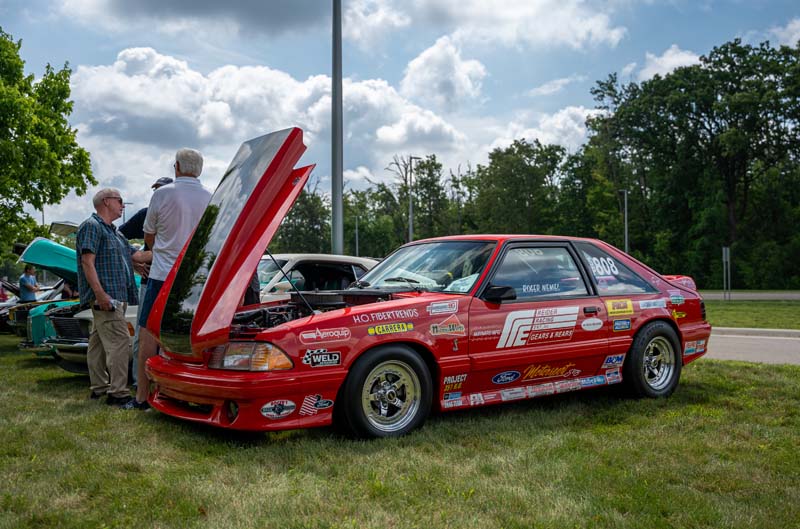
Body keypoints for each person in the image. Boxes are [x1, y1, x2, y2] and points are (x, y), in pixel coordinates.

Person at [124, 149, 211, 410]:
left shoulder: (162, 194)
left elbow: (148, 235)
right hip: (195, 278)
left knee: (148, 333)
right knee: (190, 337)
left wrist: (161, 248)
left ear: (176, 167)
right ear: (200, 170)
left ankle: (142, 396)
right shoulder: (210, 197)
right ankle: (187, 393)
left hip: (162, 275)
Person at [76, 188, 151, 406]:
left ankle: (99, 388)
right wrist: (100, 294)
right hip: (106, 297)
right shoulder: (91, 227)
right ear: (106, 202)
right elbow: (87, 263)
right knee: (119, 341)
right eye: (120, 201)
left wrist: (169, 249)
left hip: (116, 297)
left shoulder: (116, 233)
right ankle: (118, 393)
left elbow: (137, 255)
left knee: (97, 343)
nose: (123, 205)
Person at [118, 176, 173, 388]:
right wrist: (134, 260)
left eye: (160, 190)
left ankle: (164, 380)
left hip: (172, 281)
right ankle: (137, 381)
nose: (156, 194)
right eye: (155, 190)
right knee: (143, 332)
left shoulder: (176, 214)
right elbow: (117, 236)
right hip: (149, 281)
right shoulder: (145, 214)